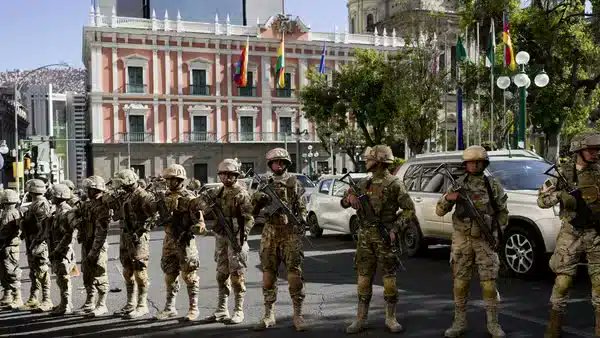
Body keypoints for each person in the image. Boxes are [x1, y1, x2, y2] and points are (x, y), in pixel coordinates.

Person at [341, 145, 416, 334]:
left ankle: (391, 317)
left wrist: (395, 229)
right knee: (363, 279)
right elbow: (343, 202)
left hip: (385, 237)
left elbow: (409, 209)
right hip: (365, 237)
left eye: (369, 159)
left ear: (380, 161)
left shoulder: (394, 184)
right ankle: (361, 318)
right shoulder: (363, 183)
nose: (366, 161)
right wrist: (349, 198)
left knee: (389, 280)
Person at [436, 145, 508, 338]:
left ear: (483, 163)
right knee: (460, 283)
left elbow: (503, 212)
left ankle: (493, 324)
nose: (471, 165)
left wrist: (496, 231)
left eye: (475, 162)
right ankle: (459, 322)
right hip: (462, 239)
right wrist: (448, 199)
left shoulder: (492, 185)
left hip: (485, 240)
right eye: (468, 162)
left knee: (489, 285)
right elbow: (439, 211)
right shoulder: (457, 184)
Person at [538, 132, 600, 337]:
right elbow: (542, 201)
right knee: (562, 283)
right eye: (590, 150)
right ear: (578, 150)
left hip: (596, 233)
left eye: (597, 150)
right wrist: (561, 196)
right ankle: (554, 328)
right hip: (571, 233)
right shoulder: (562, 173)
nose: (595, 153)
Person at [252, 148, 308, 331]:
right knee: (268, 276)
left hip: (290, 233)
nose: (279, 165)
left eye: (282, 162)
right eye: (276, 162)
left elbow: (302, 208)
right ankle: (269, 314)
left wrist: (302, 222)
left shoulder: (295, 183)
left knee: (294, 276)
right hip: (270, 233)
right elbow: (251, 210)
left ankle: (298, 315)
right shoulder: (263, 183)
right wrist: (257, 200)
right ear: (270, 164)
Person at [200, 159, 254, 324]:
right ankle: (222, 309)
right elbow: (203, 207)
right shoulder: (217, 192)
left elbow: (249, 218)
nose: (226, 177)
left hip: (236, 238)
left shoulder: (241, 193)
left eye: (229, 174)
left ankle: (238, 310)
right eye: (223, 174)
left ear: (236, 175)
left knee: (237, 275)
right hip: (221, 237)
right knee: (221, 274)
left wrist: (241, 236)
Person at [153, 164, 206, 321]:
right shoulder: (164, 197)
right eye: (167, 180)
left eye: (172, 180)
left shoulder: (190, 199)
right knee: (170, 275)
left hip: (185, 242)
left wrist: (196, 228)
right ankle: (170, 307)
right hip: (169, 240)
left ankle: (193, 308)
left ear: (180, 180)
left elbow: (201, 223)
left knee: (189, 276)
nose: (169, 183)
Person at [112, 169, 155, 319]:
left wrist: (142, 230)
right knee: (127, 270)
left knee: (140, 271)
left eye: (122, 183)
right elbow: (117, 216)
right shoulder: (125, 195)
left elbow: (153, 215)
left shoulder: (143, 195)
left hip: (138, 237)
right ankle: (131, 303)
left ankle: (142, 305)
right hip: (125, 236)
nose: (120, 186)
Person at [75, 176, 111, 317]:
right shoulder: (88, 204)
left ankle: (101, 304)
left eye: (89, 189)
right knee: (87, 273)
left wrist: (94, 251)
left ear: (95, 189)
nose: (86, 191)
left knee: (100, 274)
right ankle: (90, 302)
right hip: (87, 242)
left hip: (98, 245)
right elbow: (78, 215)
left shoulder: (102, 206)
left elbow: (102, 232)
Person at [20, 179, 53, 312]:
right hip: (32, 240)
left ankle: (47, 299)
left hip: (39, 242)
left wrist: (38, 242)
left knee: (42, 271)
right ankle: (34, 297)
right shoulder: (34, 203)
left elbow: (43, 227)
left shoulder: (41, 204)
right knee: (34, 272)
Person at [46, 184, 79, 316]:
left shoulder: (65, 211)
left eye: (53, 194)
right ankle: (65, 303)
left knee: (64, 278)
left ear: (59, 196)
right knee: (60, 278)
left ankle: (66, 306)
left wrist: (58, 250)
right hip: (58, 248)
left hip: (63, 250)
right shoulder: (58, 210)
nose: (50, 196)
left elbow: (69, 234)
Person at [0, 189, 23, 310]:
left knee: (12, 272)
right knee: (4, 272)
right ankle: (8, 295)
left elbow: (4, 232)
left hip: (10, 247)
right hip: (5, 247)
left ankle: (17, 297)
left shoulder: (11, 213)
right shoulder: (7, 212)